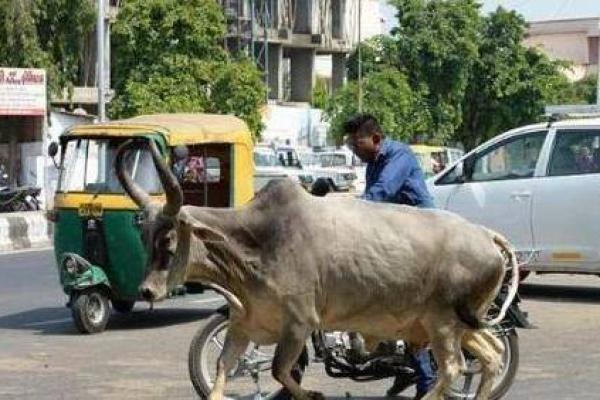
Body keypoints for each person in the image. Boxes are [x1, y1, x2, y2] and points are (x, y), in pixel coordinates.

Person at [343, 113, 435, 399]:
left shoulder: (399, 156)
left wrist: (341, 210)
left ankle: (427, 381)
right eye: (351, 147)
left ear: (376, 139)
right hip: (395, 236)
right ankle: (395, 364)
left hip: (422, 239)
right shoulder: (374, 161)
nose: (355, 152)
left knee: (405, 307)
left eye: (357, 145)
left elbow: (379, 195)